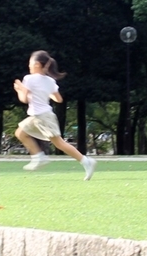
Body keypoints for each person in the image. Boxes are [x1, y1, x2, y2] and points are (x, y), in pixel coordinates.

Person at [13, 50, 97, 179]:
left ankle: (86, 161)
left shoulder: (28, 79)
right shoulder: (50, 81)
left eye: (30, 63)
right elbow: (58, 99)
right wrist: (44, 92)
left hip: (42, 117)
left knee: (60, 143)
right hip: (39, 116)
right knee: (20, 133)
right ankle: (38, 157)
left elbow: (24, 99)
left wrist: (19, 90)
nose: (28, 66)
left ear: (36, 64)